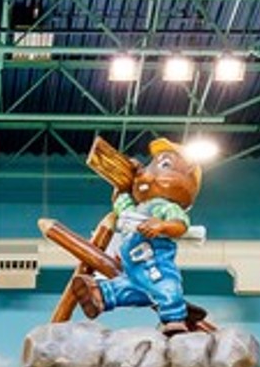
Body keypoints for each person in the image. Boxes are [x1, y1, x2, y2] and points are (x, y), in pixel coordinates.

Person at [68, 140, 213, 334]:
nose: (147, 173)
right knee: (131, 288)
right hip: (132, 268)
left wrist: (162, 225)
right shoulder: (135, 209)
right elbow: (120, 202)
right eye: (149, 166)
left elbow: (180, 225)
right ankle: (99, 295)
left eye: (164, 165)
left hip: (153, 261)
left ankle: (175, 320)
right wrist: (125, 180)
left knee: (165, 284)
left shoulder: (165, 207)